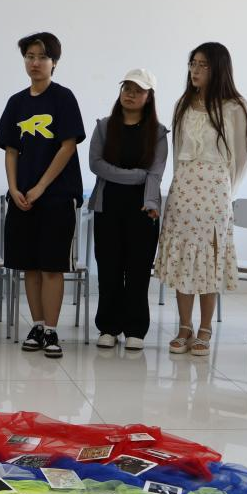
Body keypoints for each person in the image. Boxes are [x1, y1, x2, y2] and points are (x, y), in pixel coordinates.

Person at [155, 42, 247, 357]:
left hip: (215, 191)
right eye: (192, 64)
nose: (195, 70)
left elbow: (240, 159)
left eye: (203, 65)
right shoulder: (183, 103)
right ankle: (184, 326)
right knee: (183, 257)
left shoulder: (235, 106)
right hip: (183, 188)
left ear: (218, 68)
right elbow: (176, 152)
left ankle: (205, 327)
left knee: (209, 258)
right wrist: (177, 184)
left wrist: (227, 192)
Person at [0, 32, 85, 359]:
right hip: (23, 199)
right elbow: (10, 150)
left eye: (42, 57)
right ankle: (37, 325)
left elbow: (67, 146)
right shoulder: (16, 102)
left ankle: (52, 330)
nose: (35, 63)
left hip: (57, 197)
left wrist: (42, 186)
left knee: (51, 267)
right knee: (29, 267)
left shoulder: (63, 98)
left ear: (54, 62)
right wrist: (14, 188)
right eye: (30, 56)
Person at [87, 69, 168, 350]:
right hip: (108, 206)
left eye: (138, 90)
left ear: (149, 97)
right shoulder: (104, 126)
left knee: (138, 271)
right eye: (127, 88)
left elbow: (155, 173)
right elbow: (96, 164)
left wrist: (151, 200)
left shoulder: (158, 132)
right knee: (109, 268)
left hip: (143, 209)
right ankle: (108, 327)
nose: (130, 94)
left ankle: (136, 329)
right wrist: (135, 176)